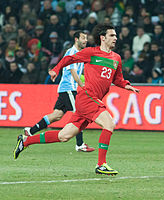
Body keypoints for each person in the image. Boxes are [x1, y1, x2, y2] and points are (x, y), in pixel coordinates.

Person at [13, 24, 140, 176]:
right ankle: (101, 164)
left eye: (115, 35)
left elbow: (118, 79)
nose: (115, 38)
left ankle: (26, 141)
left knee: (64, 136)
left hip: (89, 102)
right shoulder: (91, 53)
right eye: (112, 35)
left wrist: (126, 85)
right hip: (87, 97)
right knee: (109, 123)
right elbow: (69, 59)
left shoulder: (116, 58)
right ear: (103, 38)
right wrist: (56, 69)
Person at [23, 30, 95, 152]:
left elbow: (78, 72)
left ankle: (30, 131)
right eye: (83, 38)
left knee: (56, 115)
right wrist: (82, 85)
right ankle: (80, 144)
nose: (86, 40)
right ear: (76, 39)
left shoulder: (79, 53)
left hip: (65, 89)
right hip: (69, 88)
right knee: (81, 113)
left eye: (86, 38)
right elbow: (73, 72)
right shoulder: (72, 52)